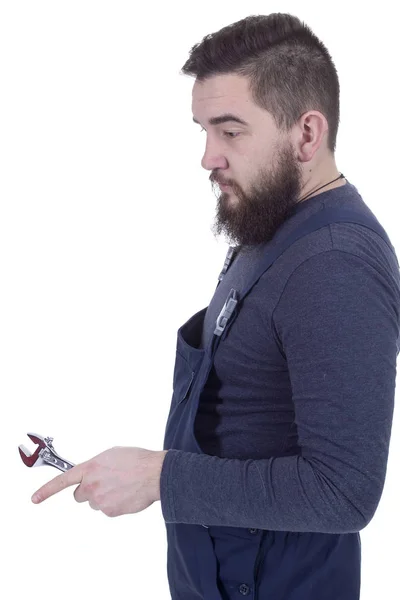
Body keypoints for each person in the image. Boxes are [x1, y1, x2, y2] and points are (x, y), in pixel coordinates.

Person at [31, 12, 400, 600]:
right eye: (202, 130)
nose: (208, 157)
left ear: (307, 134)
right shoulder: (273, 223)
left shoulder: (334, 263)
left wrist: (160, 477)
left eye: (230, 131)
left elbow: (344, 492)